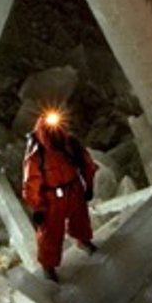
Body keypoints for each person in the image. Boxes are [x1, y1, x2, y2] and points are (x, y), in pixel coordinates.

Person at [21, 109, 98, 281]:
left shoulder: (71, 144)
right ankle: (48, 266)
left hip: (74, 189)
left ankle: (83, 240)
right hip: (52, 197)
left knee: (81, 220)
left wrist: (88, 185)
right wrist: (38, 207)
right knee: (51, 233)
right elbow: (31, 182)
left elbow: (87, 163)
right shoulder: (37, 153)